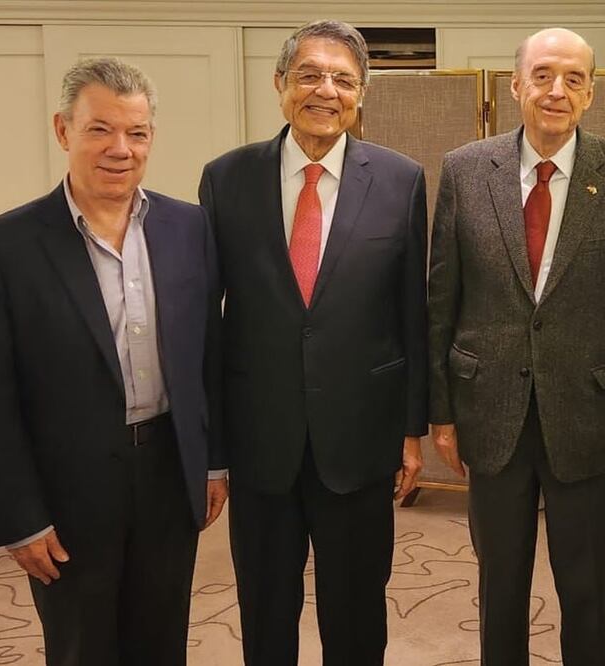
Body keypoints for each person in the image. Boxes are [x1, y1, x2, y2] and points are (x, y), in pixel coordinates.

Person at [0, 56, 227, 666]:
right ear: (63, 130)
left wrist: (213, 462)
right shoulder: (0, 248)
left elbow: (206, 356)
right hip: (66, 488)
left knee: (162, 644)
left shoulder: (189, 227)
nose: (119, 149)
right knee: (83, 648)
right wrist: (19, 516)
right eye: (100, 129)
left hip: (167, 473)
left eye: (136, 132)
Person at [427, 27, 605, 666]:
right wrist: (441, 412)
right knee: (499, 584)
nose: (556, 90)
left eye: (573, 79)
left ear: (590, 93)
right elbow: (441, 299)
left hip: (589, 415)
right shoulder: (465, 169)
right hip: (489, 412)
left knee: (587, 588)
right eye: (542, 75)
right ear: (515, 85)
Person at [198, 19, 428, 666]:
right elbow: (208, 324)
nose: (326, 91)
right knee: (265, 611)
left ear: (361, 94)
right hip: (259, 442)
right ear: (280, 84)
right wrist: (214, 453)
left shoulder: (402, 180)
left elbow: (412, 313)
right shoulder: (225, 179)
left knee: (356, 615)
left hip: (360, 438)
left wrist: (411, 429)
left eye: (343, 80)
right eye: (309, 75)